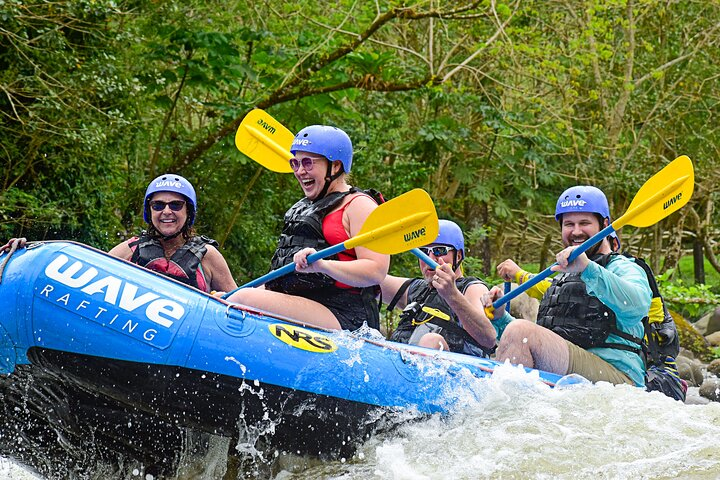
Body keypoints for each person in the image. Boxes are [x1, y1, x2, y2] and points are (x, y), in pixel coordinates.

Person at [225, 125, 389, 331]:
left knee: (244, 299)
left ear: (336, 166)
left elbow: (376, 270)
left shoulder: (359, 205)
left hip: (345, 314)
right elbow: (283, 274)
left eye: (308, 163)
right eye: (295, 163)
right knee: (233, 298)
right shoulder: (304, 208)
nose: (300, 171)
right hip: (303, 303)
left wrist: (323, 265)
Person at [485, 185, 652, 387]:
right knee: (515, 329)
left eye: (584, 223)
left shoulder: (623, 266)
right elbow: (539, 344)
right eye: (569, 224)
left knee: (521, 332)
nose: (576, 231)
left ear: (605, 225)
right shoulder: (564, 277)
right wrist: (502, 319)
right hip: (570, 370)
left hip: (618, 377)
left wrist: (588, 268)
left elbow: (638, 305)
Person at [2, 174, 237, 294]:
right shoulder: (131, 249)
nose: (167, 211)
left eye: (176, 205)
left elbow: (238, 307)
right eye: (158, 205)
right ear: (149, 211)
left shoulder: (208, 255)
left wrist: (218, 301)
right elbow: (86, 272)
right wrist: (28, 250)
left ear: (188, 212)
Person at [381, 220, 498, 356]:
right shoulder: (416, 289)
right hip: (402, 366)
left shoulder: (472, 288)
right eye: (423, 251)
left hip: (456, 371)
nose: (430, 258)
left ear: (458, 256)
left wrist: (452, 295)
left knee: (431, 340)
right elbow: (371, 279)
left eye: (439, 251)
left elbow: (489, 338)